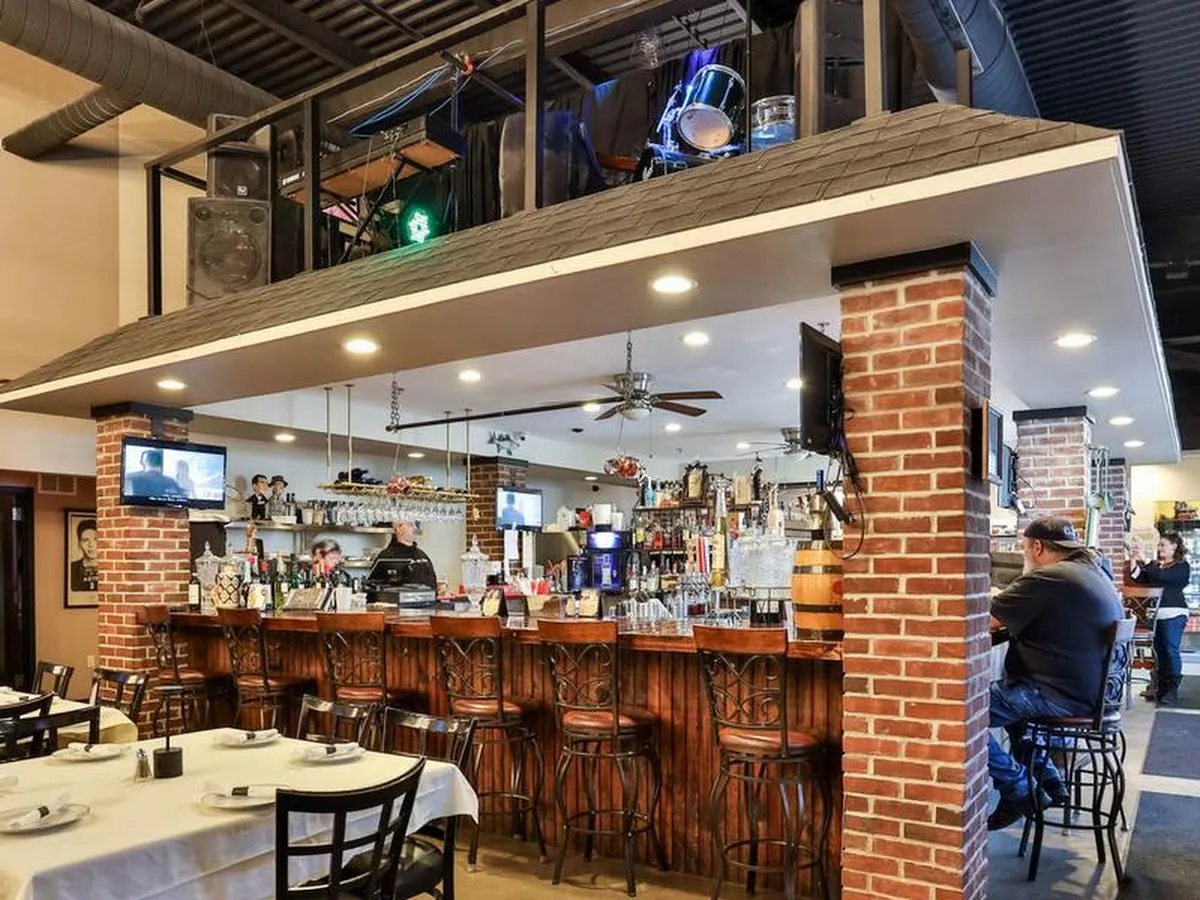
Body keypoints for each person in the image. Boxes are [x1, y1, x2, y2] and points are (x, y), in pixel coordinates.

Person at [986, 517, 1125, 831]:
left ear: (1037, 547)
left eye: (1023, 548)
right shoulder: (1093, 570)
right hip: (1092, 693)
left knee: (960, 713)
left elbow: (984, 619)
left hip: (1059, 695)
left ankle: (1020, 790)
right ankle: (1049, 780)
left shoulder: (1049, 577)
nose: (1024, 554)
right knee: (1014, 711)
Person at [1130, 533, 1191, 706]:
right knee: (1159, 652)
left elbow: (1164, 577)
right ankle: (1161, 688)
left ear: (1174, 546)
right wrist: (1134, 559)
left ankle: (1171, 691)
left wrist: (1146, 561)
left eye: (1163, 545)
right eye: (1159, 545)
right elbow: (1141, 578)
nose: (1159, 548)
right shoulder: (1157, 566)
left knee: (1171, 650)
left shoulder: (1182, 566)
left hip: (1174, 613)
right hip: (1156, 614)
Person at [375, 520, 438, 590]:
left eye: (415, 524)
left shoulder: (422, 555)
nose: (415, 528)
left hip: (429, 597)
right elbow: (376, 587)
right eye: (410, 525)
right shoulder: (386, 557)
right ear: (399, 529)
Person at [69, 517, 98, 593]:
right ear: (79, 543)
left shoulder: (111, 569)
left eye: (95, 539)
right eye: (85, 540)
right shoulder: (72, 568)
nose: (91, 545)